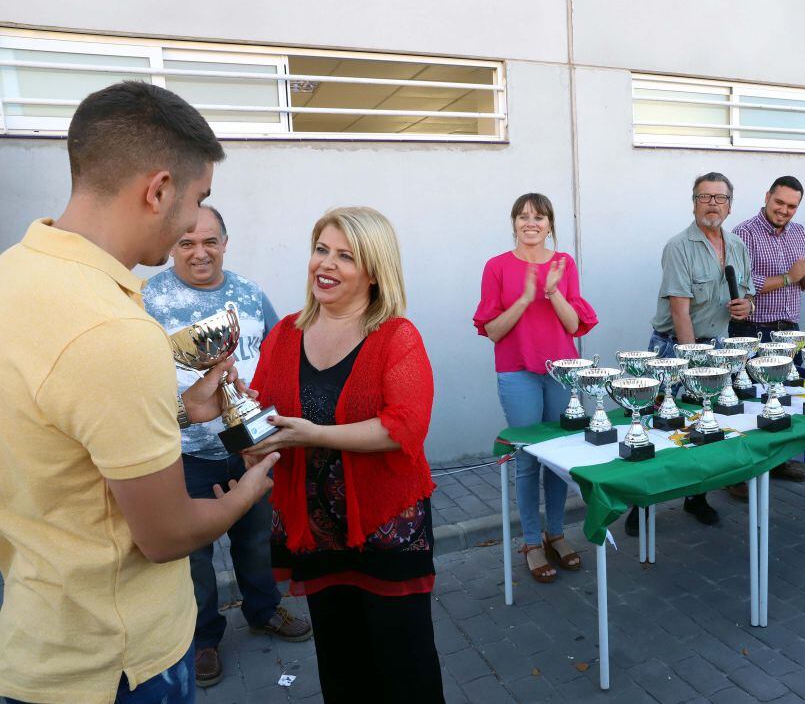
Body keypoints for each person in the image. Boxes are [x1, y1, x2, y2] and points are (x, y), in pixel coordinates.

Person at [0, 81, 277, 704]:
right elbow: (167, 535)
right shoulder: (115, 330)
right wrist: (250, 492)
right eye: (197, 199)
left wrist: (182, 408)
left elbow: (63, 435)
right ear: (157, 190)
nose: (195, 223)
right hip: (119, 664)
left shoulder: (14, 273)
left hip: (38, 636)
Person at [243, 206, 443, 703]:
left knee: (405, 664)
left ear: (373, 271)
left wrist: (314, 434)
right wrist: (228, 419)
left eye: (344, 256)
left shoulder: (397, 336)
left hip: (386, 524)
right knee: (339, 661)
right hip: (315, 530)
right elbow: (261, 411)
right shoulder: (286, 333)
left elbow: (404, 428)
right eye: (320, 250)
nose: (325, 265)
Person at [144, 205, 311, 687]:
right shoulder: (146, 301)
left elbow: (281, 353)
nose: (200, 252)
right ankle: (204, 639)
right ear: (172, 243)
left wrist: (271, 407)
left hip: (248, 448)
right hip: (182, 453)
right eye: (187, 242)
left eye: (210, 241)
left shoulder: (248, 295)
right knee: (194, 555)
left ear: (225, 242)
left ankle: (263, 610)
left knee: (256, 540)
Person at [473, 193, 598, 583]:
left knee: (558, 457)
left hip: (561, 372)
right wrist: (525, 298)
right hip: (517, 372)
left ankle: (556, 533)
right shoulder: (497, 267)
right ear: (513, 222)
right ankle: (530, 541)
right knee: (527, 459)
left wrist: (552, 292)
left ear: (549, 224)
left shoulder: (564, 265)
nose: (532, 222)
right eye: (524, 216)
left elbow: (574, 326)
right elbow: (493, 330)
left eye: (540, 216)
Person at [635, 172, 754, 531]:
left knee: (706, 427)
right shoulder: (678, 246)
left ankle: (696, 498)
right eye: (705, 197)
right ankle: (641, 507)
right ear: (694, 202)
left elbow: (746, 293)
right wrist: (693, 364)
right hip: (674, 349)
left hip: (716, 347)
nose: (713, 204)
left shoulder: (737, 245)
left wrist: (744, 306)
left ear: (730, 206)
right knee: (656, 431)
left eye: (720, 198)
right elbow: (679, 311)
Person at [732, 175, 805, 487]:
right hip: (752, 329)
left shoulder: (800, 232)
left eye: (792, 206)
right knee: (747, 404)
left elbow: (804, 284)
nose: (784, 210)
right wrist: (790, 276)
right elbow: (743, 284)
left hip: (788, 331)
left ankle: (777, 462)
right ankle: (738, 476)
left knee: (783, 398)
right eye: (780, 202)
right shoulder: (743, 234)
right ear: (767, 197)